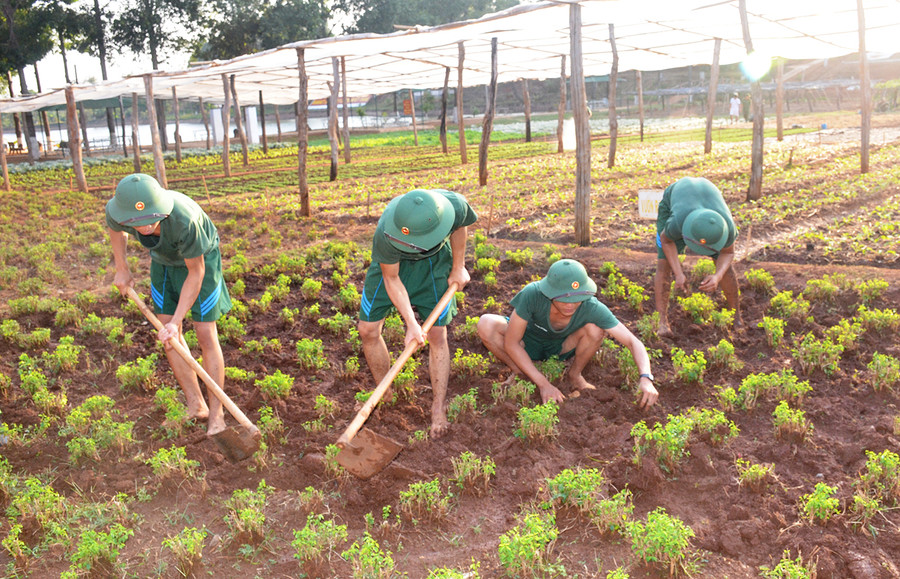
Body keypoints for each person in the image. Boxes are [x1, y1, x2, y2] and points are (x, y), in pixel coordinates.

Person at [106, 173, 232, 435]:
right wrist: (122, 267)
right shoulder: (121, 212)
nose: (143, 227)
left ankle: (217, 414)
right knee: (168, 336)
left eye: (150, 219)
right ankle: (196, 405)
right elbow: (115, 230)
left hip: (201, 263)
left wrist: (178, 320)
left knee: (204, 332)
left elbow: (195, 274)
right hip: (163, 262)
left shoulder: (185, 220)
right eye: (136, 223)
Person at [359, 188, 477, 438]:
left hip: (433, 268)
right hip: (391, 267)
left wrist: (458, 266)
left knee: (437, 334)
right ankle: (385, 392)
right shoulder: (386, 231)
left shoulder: (454, 205)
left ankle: (438, 407)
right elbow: (391, 279)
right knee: (368, 330)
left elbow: (460, 226)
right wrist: (411, 323)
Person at [477, 259, 658, 409]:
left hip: (560, 347)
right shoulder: (532, 294)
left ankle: (575, 375)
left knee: (595, 329)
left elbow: (633, 342)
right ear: (549, 292)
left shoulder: (591, 306)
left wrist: (646, 378)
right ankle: (520, 372)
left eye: (577, 298)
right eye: (564, 298)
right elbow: (512, 343)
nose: (570, 304)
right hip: (526, 342)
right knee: (487, 323)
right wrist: (544, 385)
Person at [654, 176, 742, 338]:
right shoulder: (676, 222)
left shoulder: (726, 228)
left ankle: (736, 318)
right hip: (677, 198)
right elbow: (666, 241)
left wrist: (717, 276)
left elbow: (727, 253)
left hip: (706, 198)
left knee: (725, 267)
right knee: (664, 263)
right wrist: (678, 273)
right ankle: (662, 323)